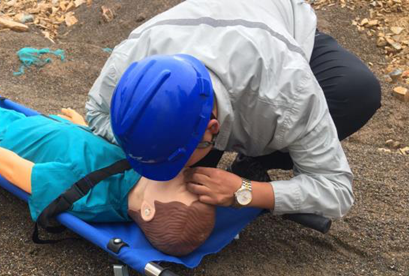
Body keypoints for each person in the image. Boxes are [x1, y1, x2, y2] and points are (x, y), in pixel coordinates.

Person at [85, 0, 381, 220]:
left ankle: (255, 161)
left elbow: (336, 190)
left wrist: (246, 191)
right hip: (210, 23)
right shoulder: (131, 58)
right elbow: (96, 112)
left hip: (278, 27)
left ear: (211, 129)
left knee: (357, 90)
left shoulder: (287, 91)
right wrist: (143, 148)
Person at [0, 59, 216, 256]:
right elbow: (104, 147)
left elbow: (23, 173)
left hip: (9, 141)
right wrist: (81, 126)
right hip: (45, 127)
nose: (185, 175)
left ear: (148, 210)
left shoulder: (90, 198)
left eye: (183, 186)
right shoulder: (142, 171)